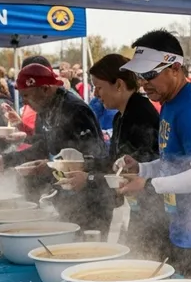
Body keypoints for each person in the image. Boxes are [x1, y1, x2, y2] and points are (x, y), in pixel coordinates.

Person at [117, 30, 191, 277]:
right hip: (184, 224)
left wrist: (148, 183)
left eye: (150, 74)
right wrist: (143, 168)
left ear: (175, 68)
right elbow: (176, 161)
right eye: (139, 75)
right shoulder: (170, 102)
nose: (143, 83)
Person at [0, 62, 108, 229]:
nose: (24, 102)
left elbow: (93, 157)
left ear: (46, 89)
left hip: (90, 200)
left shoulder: (75, 109)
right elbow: (45, 144)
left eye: (27, 96)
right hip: (65, 195)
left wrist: (50, 166)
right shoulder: (45, 108)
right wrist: (5, 160)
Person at [64, 54, 165, 257]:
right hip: (136, 206)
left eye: (99, 87)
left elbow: (135, 171)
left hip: (152, 208)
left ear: (119, 84)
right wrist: (85, 164)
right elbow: (115, 161)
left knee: (143, 258)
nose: (96, 93)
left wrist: (89, 178)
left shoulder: (140, 115)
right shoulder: (121, 115)